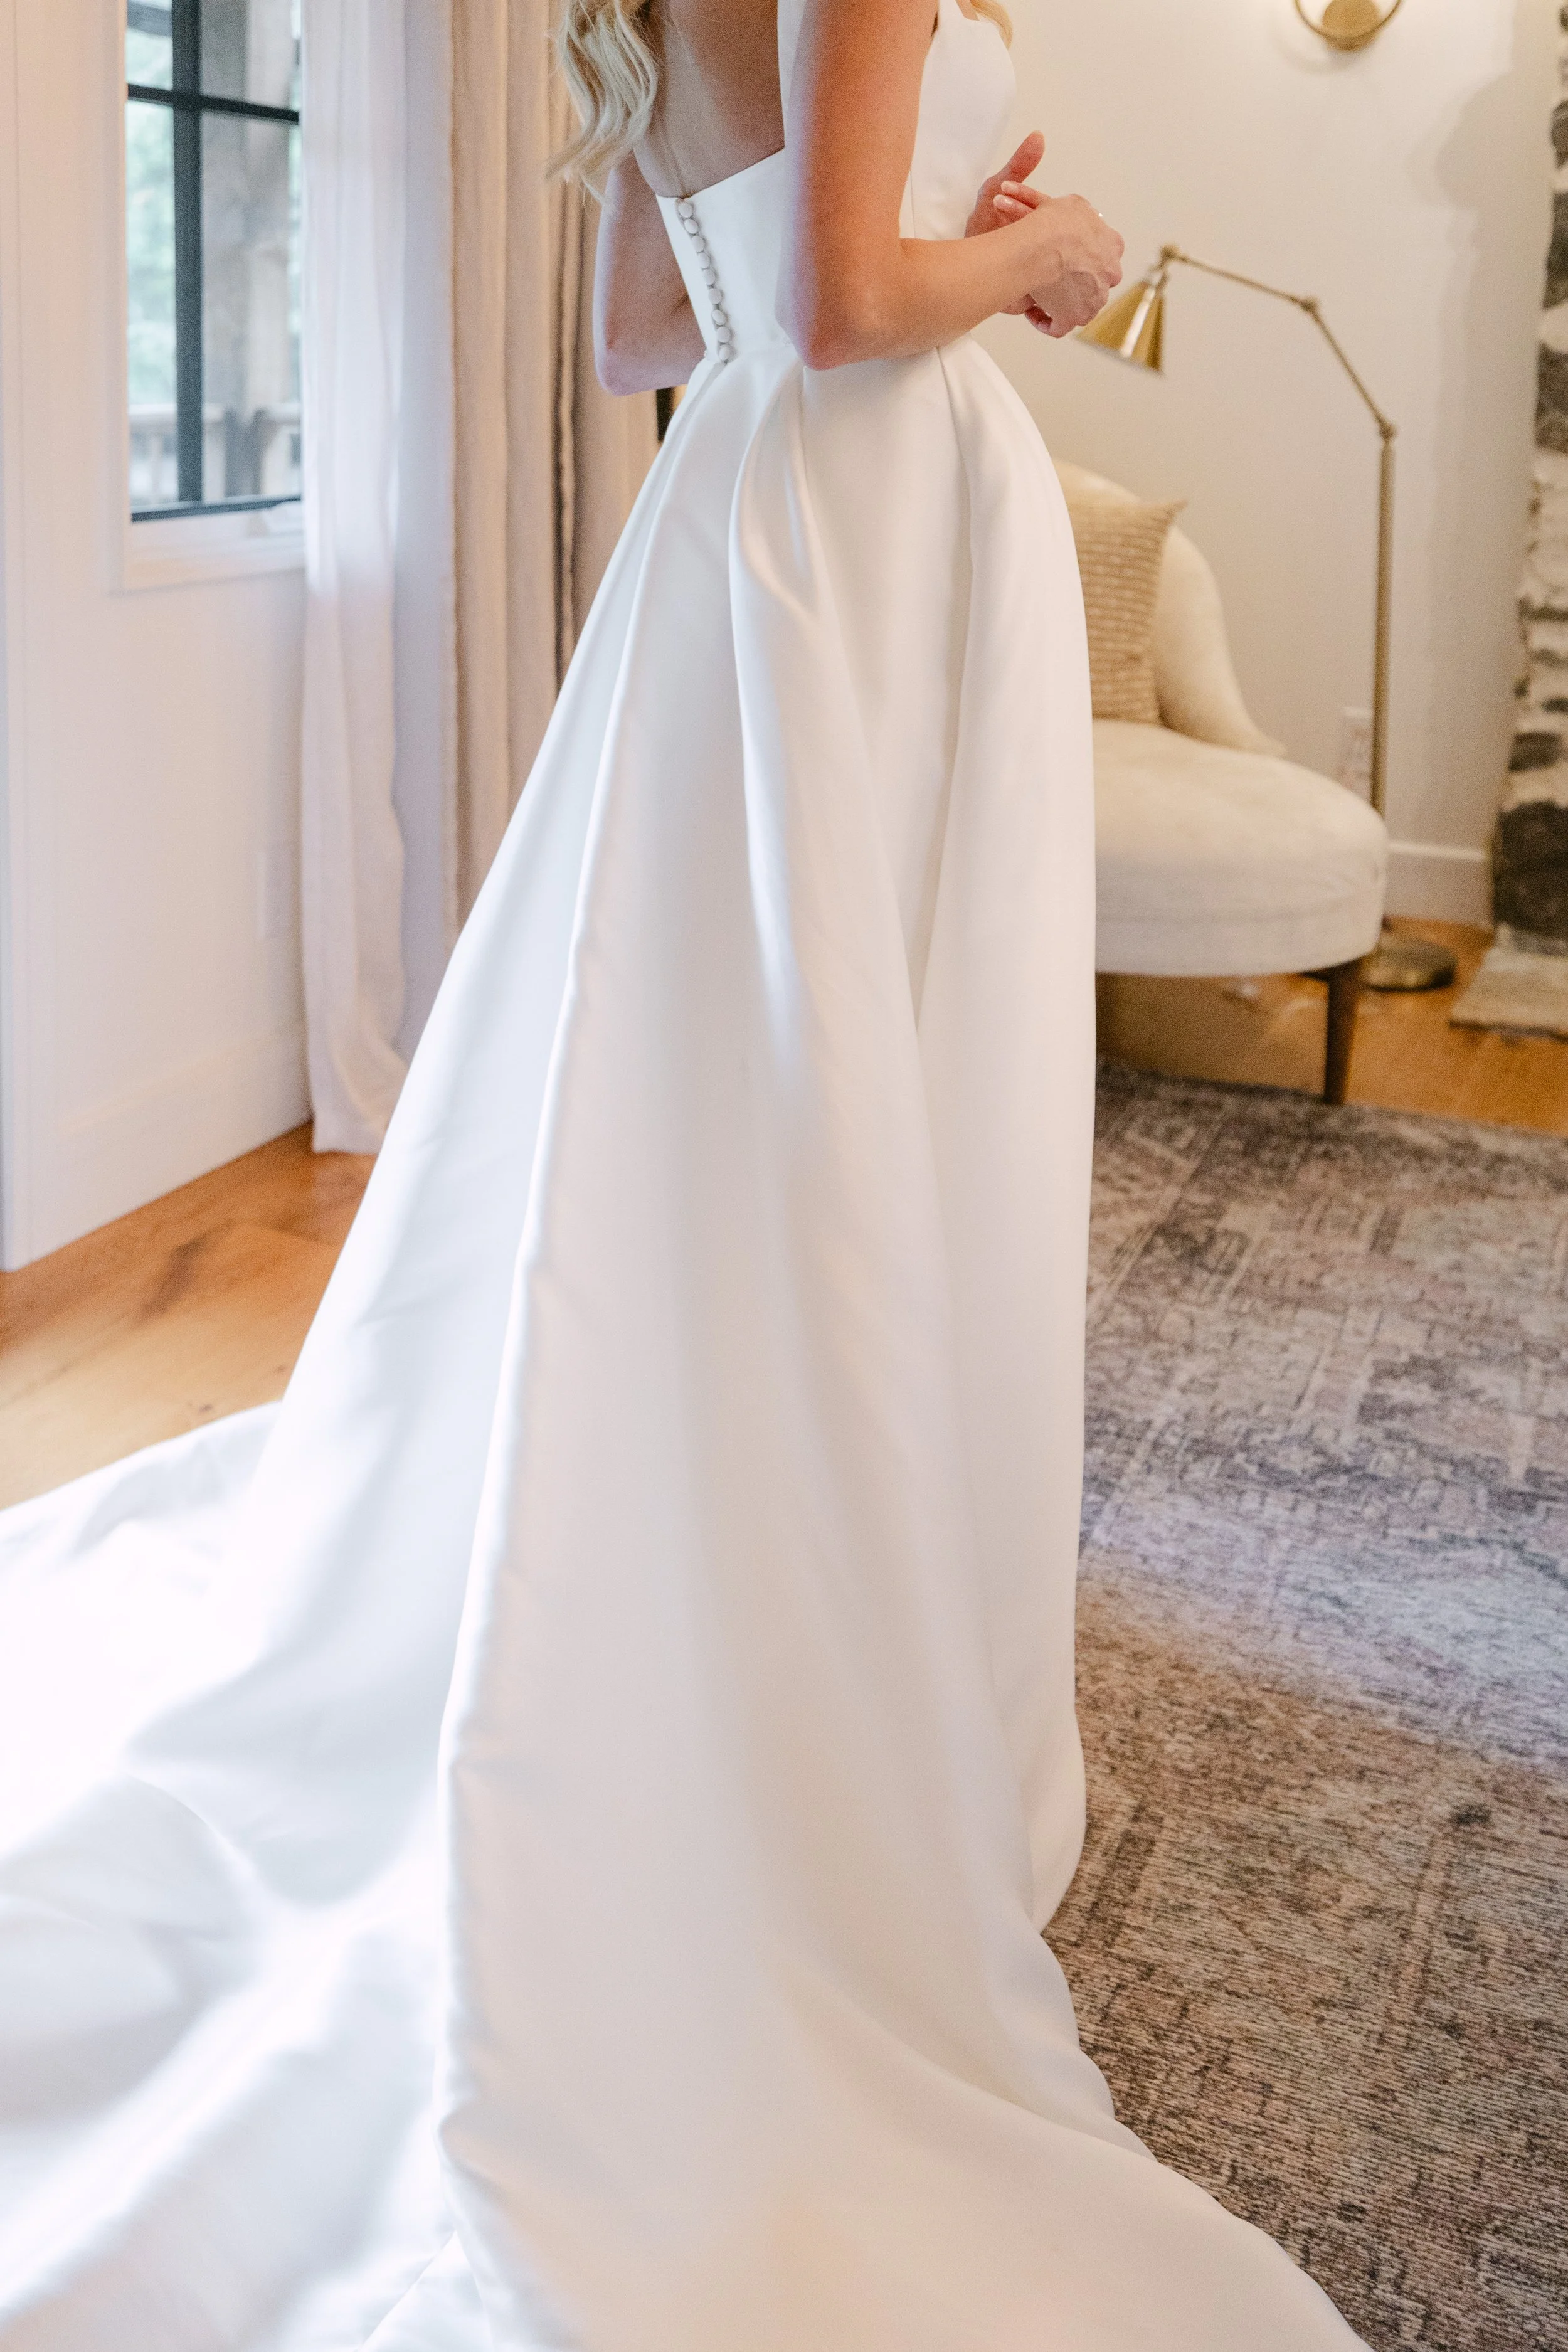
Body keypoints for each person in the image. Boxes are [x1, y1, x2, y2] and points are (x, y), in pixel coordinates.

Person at [0, 2, 1366, 2344]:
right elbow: (850, 310)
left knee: (711, 1079)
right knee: (850, 1085)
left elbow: (662, 320)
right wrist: (1043, 248)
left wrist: (935, 237)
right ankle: (798, 1593)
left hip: (740, 525)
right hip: (873, 507)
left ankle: (692, 1493)